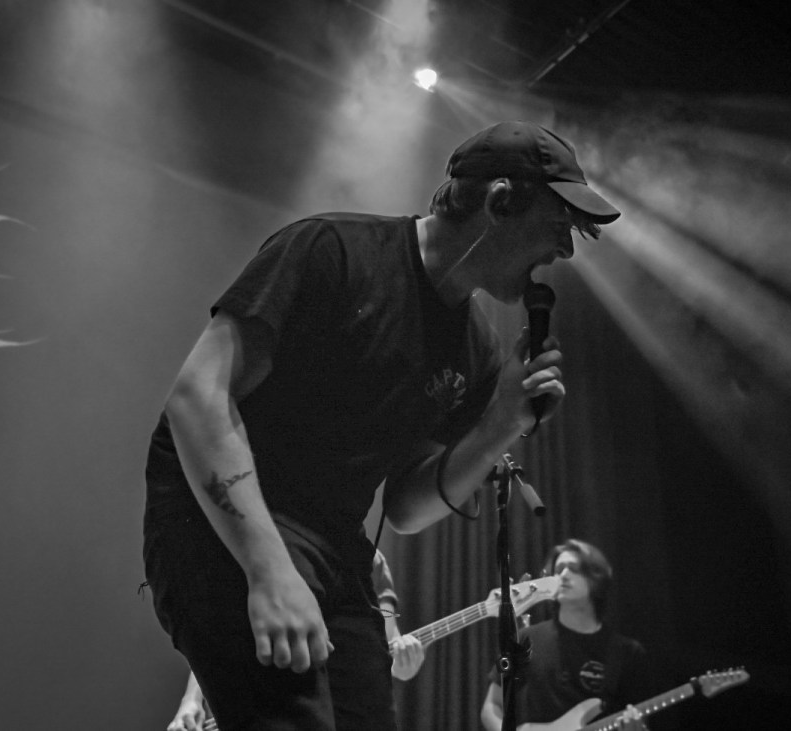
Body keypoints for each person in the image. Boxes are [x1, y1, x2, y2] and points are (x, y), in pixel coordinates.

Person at [142, 120, 620, 730]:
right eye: (558, 227)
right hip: (224, 528)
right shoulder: (333, 250)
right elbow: (197, 397)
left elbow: (406, 509)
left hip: (335, 549)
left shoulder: (475, 348)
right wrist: (267, 568)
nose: (566, 252)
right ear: (501, 201)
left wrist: (499, 425)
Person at [165, 550, 424, 730]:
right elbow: (226, 637)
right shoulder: (272, 546)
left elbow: (389, 642)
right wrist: (191, 701)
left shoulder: (372, 562)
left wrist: (405, 665)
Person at [480, 539, 651, 731]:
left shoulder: (627, 652)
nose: (563, 575)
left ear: (597, 579)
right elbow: (492, 706)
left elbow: (640, 717)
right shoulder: (524, 639)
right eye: (559, 569)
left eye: (574, 569)